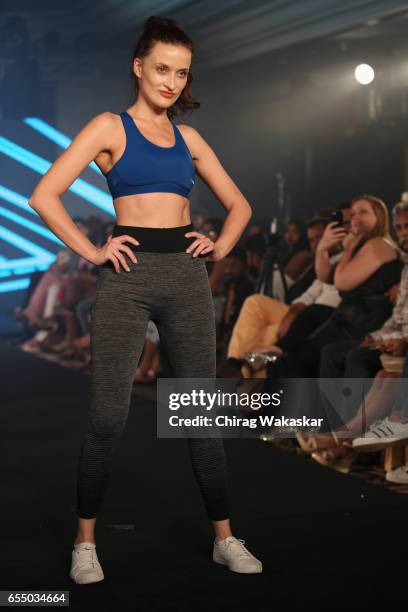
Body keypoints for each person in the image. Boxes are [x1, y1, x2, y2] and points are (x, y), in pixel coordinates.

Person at [28, 16, 262, 584]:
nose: (172, 82)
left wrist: (219, 245)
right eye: (162, 68)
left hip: (185, 277)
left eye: (181, 73)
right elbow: (44, 194)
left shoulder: (189, 138)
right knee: (109, 416)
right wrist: (92, 249)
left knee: (200, 415)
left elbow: (241, 206)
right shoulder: (109, 126)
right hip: (127, 279)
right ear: (139, 66)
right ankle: (85, 543)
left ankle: (225, 539)